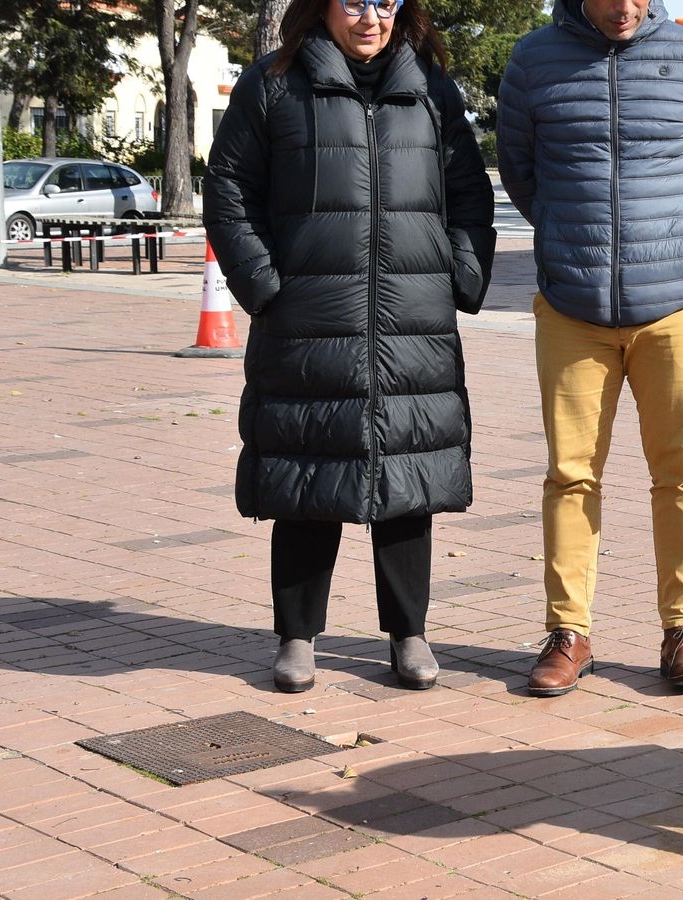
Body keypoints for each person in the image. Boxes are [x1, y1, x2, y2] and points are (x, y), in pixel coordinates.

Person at [204, 0, 495, 694]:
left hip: (411, 317)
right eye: (355, 1)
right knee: (309, 477)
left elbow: (469, 193)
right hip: (309, 318)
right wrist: (268, 287)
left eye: (386, 0)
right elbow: (228, 191)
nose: (372, 16)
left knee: (409, 479)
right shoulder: (273, 83)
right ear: (323, 7)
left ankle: (409, 634)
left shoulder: (430, 86)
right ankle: (297, 637)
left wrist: (459, 273)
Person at [496, 0, 683, 697]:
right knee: (570, 473)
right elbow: (519, 168)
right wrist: (568, 229)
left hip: (677, 304)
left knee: (682, 469)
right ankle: (569, 631)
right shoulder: (533, 59)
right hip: (572, 303)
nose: (624, 7)